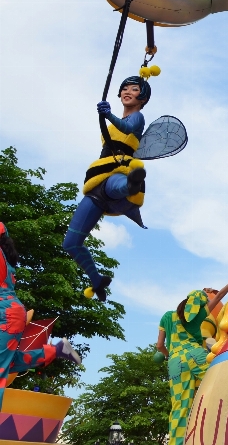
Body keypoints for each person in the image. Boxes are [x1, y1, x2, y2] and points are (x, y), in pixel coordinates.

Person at [64, 76, 151, 301]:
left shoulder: (137, 117)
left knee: (115, 186)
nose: (127, 91)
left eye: (134, 89)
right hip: (99, 174)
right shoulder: (112, 124)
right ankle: (97, 280)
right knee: (71, 243)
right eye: (124, 88)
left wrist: (108, 114)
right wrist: (108, 116)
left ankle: (132, 185)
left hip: (120, 167)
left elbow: (128, 126)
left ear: (143, 97)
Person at [156, 269, 228, 445]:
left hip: (176, 362)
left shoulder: (167, 317)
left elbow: (160, 345)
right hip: (196, 355)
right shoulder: (200, 314)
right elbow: (221, 294)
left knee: (179, 406)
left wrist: (169, 356)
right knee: (221, 382)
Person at [0, 223, 82, 408]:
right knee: (10, 363)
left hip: (5, 315)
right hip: (9, 313)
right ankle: (57, 350)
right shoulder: (5, 257)